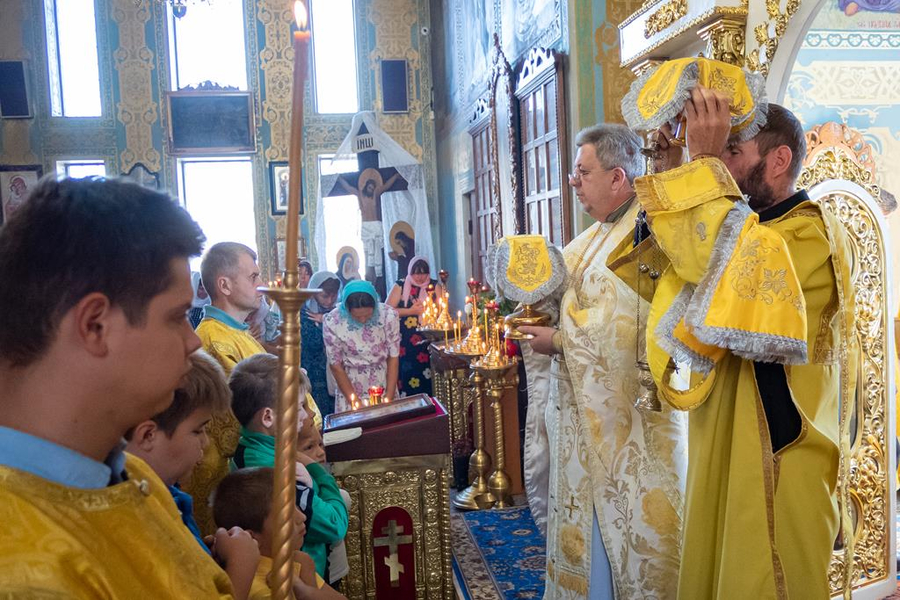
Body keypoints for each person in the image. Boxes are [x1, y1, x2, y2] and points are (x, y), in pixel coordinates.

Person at [611, 96, 856, 598]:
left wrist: (700, 168)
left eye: (733, 152)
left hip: (777, 452)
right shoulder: (748, 230)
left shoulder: (810, 233)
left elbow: (726, 268)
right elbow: (667, 272)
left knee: (764, 579)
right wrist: (674, 169)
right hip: (723, 434)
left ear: (779, 159)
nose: (723, 166)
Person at [0, 176, 259, 597]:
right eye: (176, 317)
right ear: (95, 326)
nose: (193, 341)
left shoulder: (135, 474)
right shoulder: (21, 574)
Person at [518, 124, 687, 599]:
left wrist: (559, 339)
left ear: (617, 178)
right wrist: (531, 304)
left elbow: (633, 327)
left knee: (624, 547)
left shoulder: (648, 233)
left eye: (582, 171)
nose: (573, 181)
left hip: (629, 431)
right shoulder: (588, 240)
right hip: (584, 430)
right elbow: (570, 298)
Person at [230, 353, 349, 579]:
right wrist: (318, 472)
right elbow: (334, 525)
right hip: (303, 577)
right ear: (268, 417)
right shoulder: (277, 471)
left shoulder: (250, 447)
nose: (306, 415)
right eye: (299, 407)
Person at [187, 242, 267, 535]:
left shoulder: (236, 333)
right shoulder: (214, 339)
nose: (261, 284)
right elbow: (245, 416)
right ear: (225, 285)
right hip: (229, 479)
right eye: (253, 277)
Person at [124, 349, 230, 554]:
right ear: (148, 435)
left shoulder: (171, 496)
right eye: (198, 430)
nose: (205, 442)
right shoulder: (145, 517)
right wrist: (240, 567)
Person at [213, 467, 347, 599]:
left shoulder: (295, 561)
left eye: (296, 506)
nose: (302, 517)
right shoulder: (261, 590)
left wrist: (306, 587)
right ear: (250, 538)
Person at [322, 280, 401, 413]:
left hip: (383, 379)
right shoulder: (333, 321)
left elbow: (393, 357)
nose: (363, 320)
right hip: (350, 384)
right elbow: (336, 365)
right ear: (347, 309)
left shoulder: (388, 316)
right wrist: (355, 403)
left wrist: (389, 396)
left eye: (368, 315)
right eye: (357, 317)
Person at [297, 417, 351, 587]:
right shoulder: (305, 481)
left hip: (334, 568)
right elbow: (334, 528)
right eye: (309, 447)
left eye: (321, 445)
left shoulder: (319, 478)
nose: (320, 453)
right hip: (317, 571)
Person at [385, 256, 442, 397]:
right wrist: (411, 311)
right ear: (410, 271)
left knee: (429, 372)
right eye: (416, 273)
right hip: (406, 340)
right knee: (408, 372)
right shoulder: (401, 285)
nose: (420, 277)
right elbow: (387, 311)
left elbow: (442, 311)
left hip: (429, 338)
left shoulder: (434, 286)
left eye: (423, 273)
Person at [302, 271, 341, 417]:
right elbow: (312, 343)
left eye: (334, 295)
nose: (330, 301)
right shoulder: (303, 313)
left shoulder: (339, 311)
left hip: (336, 371)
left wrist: (327, 320)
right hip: (313, 372)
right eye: (325, 296)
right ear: (313, 293)